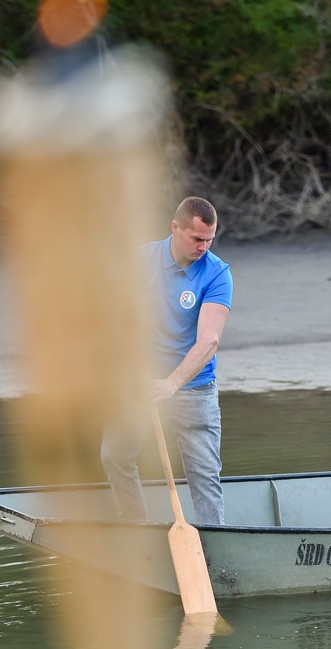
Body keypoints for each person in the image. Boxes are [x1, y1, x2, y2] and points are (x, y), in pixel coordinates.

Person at [101, 197, 233, 524]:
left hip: (194, 386)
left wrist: (171, 383)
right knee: (115, 455)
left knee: (204, 475)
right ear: (175, 228)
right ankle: (135, 529)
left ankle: (213, 546)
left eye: (209, 240)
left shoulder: (217, 273)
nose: (204, 247)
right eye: (197, 239)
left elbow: (209, 340)